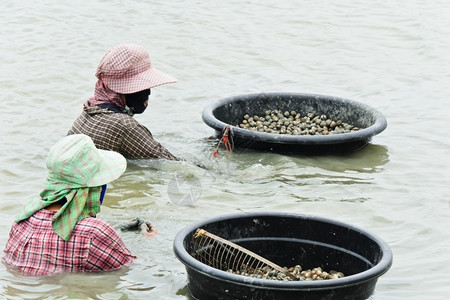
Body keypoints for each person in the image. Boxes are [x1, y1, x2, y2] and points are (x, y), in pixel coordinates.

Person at [3, 134, 155, 276]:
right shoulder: (95, 232)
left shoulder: (23, 219)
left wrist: (117, 230)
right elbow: (133, 272)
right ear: (95, 189)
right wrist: (149, 239)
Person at [67, 44, 179, 160]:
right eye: (143, 88)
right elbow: (171, 162)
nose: (148, 94)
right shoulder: (126, 126)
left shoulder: (88, 111)